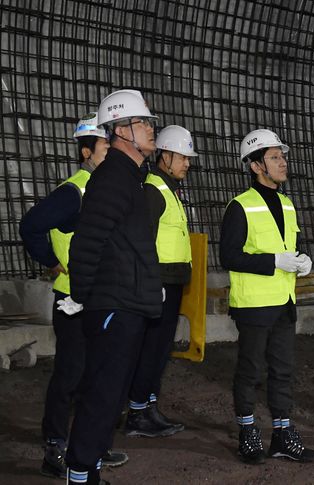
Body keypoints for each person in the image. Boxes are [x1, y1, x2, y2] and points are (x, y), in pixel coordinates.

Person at [19, 113, 128, 478]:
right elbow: (32, 225)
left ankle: (89, 443)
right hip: (73, 300)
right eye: (103, 148)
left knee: (99, 375)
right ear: (86, 153)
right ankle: (55, 446)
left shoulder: (108, 190)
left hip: (102, 298)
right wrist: (51, 263)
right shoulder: (74, 192)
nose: (110, 154)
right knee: (71, 374)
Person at [64, 89, 163, 485]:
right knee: (102, 397)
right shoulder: (112, 180)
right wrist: (89, 299)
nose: (151, 129)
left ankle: (91, 471)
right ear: (122, 131)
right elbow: (86, 244)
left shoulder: (133, 180)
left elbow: (130, 246)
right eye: (144, 123)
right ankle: (80, 474)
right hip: (113, 306)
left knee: (112, 396)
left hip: (128, 304)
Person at [219, 128, 314, 465]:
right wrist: (273, 261)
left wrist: (301, 260)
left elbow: (288, 246)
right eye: (275, 157)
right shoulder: (240, 207)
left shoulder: (287, 204)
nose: (282, 162)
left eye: (282, 156)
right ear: (256, 165)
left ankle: (282, 434)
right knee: (250, 370)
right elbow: (229, 256)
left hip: (284, 302)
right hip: (254, 305)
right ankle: (248, 433)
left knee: (283, 371)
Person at [124, 125, 196, 438]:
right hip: (160, 283)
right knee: (151, 348)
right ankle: (138, 411)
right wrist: (151, 283)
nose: (187, 163)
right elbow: (143, 240)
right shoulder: (154, 190)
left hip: (171, 281)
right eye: (183, 157)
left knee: (160, 348)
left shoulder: (168, 189)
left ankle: (148, 405)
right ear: (165, 156)